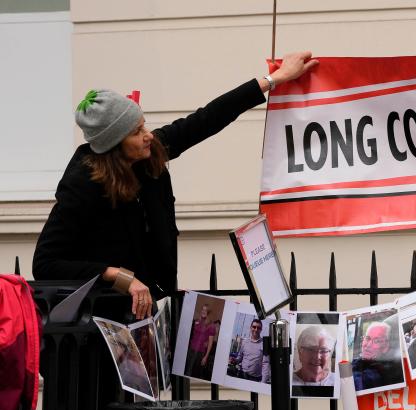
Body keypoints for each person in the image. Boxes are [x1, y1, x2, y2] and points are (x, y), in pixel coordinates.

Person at [32, 52, 319, 320]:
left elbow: (207, 118)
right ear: (114, 145)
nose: (148, 136)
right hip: (102, 322)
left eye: (144, 125)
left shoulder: (149, 154)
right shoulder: (82, 186)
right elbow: (45, 263)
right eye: (136, 132)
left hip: (153, 308)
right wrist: (117, 275)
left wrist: (276, 79)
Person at [352, 321, 404, 392]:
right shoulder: (358, 362)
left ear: (386, 347)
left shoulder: (376, 375)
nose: (368, 345)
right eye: (367, 338)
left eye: (376, 341)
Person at [185, 303, 217, 379]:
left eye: (205, 310)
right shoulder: (196, 321)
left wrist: (206, 356)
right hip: (191, 349)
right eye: (202, 309)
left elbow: (210, 343)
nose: (203, 311)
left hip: (200, 352)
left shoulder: (211, 326)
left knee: (195, 373)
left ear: (208, 312)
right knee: (187, 370)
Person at [233, 318, 270, 382]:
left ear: (261, 330)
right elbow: (240, 357)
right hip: (241, 375)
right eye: (254, 327)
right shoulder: (244, 342)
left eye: (258, 328)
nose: (256, 329)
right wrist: (235, 360)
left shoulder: (264, 344)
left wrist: (263, 382)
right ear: (250, 328)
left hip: (255, 379)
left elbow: (266, 364)